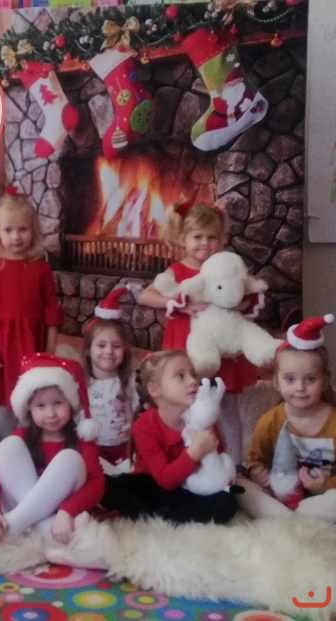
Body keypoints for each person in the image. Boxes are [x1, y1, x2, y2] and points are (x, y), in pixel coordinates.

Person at [138, 200, 258, 463]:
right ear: (183, 238)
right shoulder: (177, 271)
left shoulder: (226, 268)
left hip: (222, 351)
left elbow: (246, 294)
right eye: (197, 237)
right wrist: (177, 304)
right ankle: (193, 458)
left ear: (221, 239)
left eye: (211, 237)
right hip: (186, 349)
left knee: (227, 407)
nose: (205, 243)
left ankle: (235, 463)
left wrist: (239, 303)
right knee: (190, 405)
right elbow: (145, 295)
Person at [0, 353, 104, 548]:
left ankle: (12, 529)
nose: (51, 413)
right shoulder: (23, 435)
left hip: (62, 513)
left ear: (70, 403)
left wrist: (67, 511)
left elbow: (96, 484)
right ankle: (42, 529)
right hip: (26, 507)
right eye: (41, 406)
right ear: (29, 408)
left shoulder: (82, 438)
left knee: (70, 459)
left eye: (58, 403)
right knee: (8, 446)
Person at [0, 190, 63, 444]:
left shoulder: (41, 268)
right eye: (8, 230)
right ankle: (4, 444)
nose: (16, 236)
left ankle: (32, 442)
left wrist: (49, 352)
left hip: (32, 345)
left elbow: (51, 314)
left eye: (22, 229)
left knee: (32, 395)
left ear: (33, 231)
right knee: (0, 401)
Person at [102, 350, 237, 524]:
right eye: (181, 376)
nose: (193, 381)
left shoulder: (203, 417)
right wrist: (194, 453)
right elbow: (165, 479)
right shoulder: (144, 425)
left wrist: (223, 473)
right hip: (153, 485)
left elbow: (216, 459)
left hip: (189, 485)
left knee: (226, 503)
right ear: (155, 389)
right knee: (117, 486)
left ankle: (168, 516)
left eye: (193, 374)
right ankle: (158, 515)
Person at [238, 315, 336, 522]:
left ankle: (297, 517)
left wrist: (324, 485)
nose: (300, 387)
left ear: (325, 380)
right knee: (240, 486)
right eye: (290, 379)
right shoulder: (270, 420)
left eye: (310, 379)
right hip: (280, 495)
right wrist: (260, 474)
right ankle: (284, 517)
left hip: (322, 499)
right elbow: (254, 460)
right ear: (276, 381)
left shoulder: (333, 421)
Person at [82, 288, 140, 474]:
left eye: (116, 346)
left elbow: (135, 410)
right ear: (88, 350)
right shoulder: (82, 382)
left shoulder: (128, 381)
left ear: (124, 351)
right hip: (91, 446)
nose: (108, 351)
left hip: (122, 446)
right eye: (101, 345)